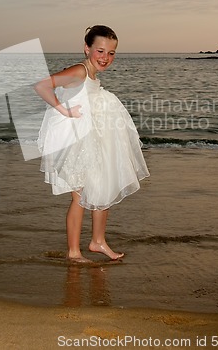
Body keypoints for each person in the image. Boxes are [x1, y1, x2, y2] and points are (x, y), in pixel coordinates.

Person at [34, 25, 149, 262]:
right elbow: (42, 86)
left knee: (102, 187)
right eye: (100, 51)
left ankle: (98, 241)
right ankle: (74, 252)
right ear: (87, 48)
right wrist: (62, 109)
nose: (105, 58)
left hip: (96, 138)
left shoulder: (91, 74)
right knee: (79, 197)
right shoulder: (79, 71)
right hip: (78, 142)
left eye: (111, 53)